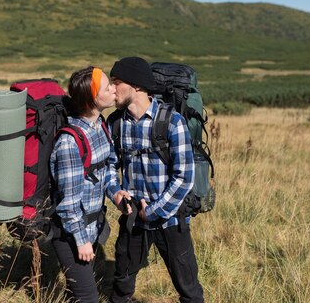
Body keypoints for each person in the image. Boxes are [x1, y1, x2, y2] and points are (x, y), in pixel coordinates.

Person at [106, 57, 205, 303]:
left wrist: (153, 211)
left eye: (117, 82)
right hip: (133, 221)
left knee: (189, 290)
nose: (111, 88)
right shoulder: (115, 123)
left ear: (137, 86)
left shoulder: (172, 122)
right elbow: (109, 165)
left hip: (170, 221)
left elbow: (184, 176)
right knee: (121, 287)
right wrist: (115, 193)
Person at [50, 66, 119, 302]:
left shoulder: (101, 126)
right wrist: (81, 241)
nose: (113, 89)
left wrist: (115, 192)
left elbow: (106, 167)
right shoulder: (70, 143)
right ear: (92, 100)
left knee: (76, 294)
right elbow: (68, 204)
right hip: (70, 235)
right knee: (88, 297)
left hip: (91, 227)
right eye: (107, 87)